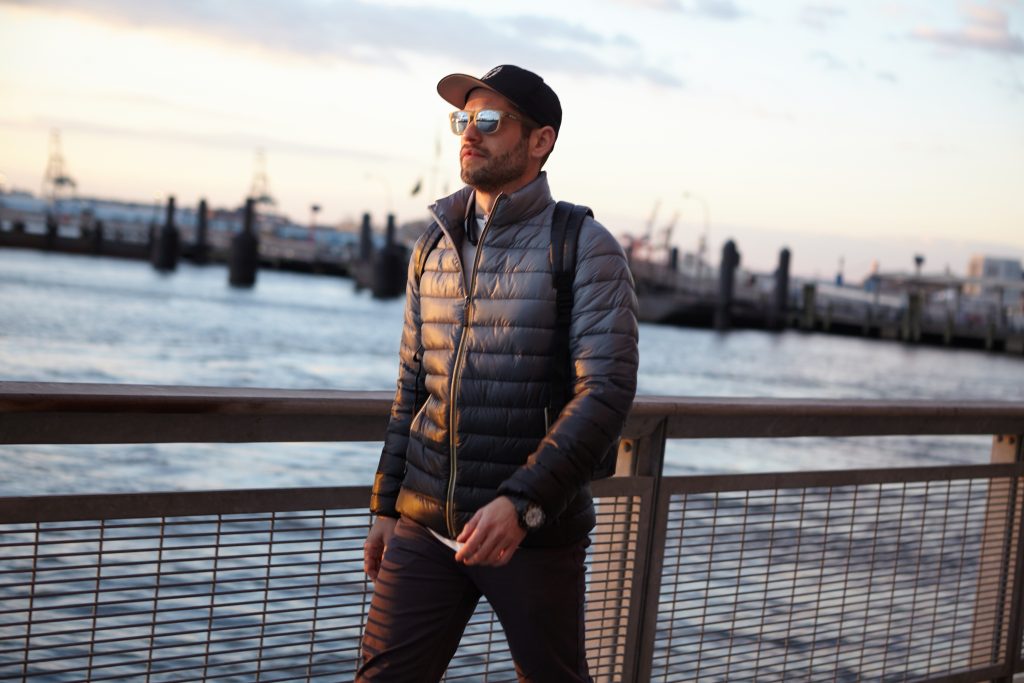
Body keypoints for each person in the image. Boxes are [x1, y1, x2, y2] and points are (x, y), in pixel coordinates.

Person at [358, 64, 639, 682]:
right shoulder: (432, 246)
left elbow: (605, 393)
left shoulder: (585, 247)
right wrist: (386, 506)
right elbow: (412, 388)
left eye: (490, 120)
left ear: (541, 140)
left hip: (533, 536)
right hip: (425, 526)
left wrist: (522, 505)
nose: (469, 132)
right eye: (463, 119)